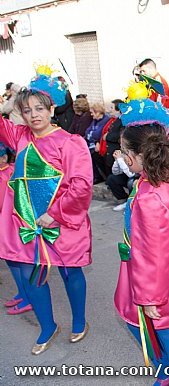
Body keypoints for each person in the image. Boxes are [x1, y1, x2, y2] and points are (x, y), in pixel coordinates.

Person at [0, 77, 92, 355]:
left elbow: (81, 185)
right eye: (27, 111)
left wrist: (55, 214)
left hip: (62, 223)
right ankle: (48, 326)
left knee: (70, 272)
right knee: (30, 275)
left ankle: (79, 321)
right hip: (26, 222)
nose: (34, 116)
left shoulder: (71, 142)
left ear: (51, 109)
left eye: (39, 109)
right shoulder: (19, 136)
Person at [114, 94, 169, 386]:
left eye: (125, 151)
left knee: (166, 330)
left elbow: (155, 253)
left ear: (138, 155)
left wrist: (151, 296)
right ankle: (167, 371)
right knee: (141, 322)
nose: (122, 157)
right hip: (167, 270)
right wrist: (156, 122)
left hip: (158, 277)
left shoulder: (151, 196)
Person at [0, 142, 33, 315]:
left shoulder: (11, 172)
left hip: (13, 221)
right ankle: (22, 292)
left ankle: (29, 297)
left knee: (18, 259)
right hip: (4, 222)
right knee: (9, 259)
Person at [86, 102, 111, 184]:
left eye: (92, 112)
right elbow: (87, 131)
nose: (91, 115)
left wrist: (91, 135)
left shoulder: (105, 120)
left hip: (101, 145)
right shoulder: (94, 121)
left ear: (97, 112)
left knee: (95, 155)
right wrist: (92, 135)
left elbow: (97, 134)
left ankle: (100, 176)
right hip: (93, 144)